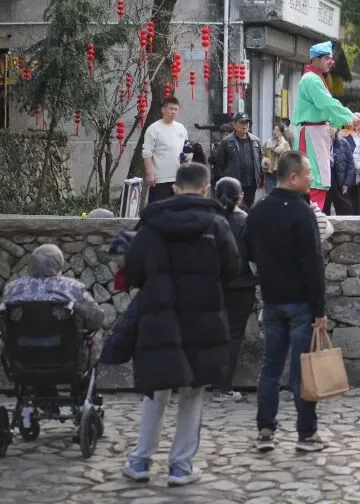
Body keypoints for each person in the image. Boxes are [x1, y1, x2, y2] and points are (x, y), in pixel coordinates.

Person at [121, 163, 239, 486]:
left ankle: (140, 460)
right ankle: (181, 467)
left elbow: (133, 269)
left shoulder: (152, 223)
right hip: (202, 319)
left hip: (160, 318)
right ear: (206, 188)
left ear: (174, 188)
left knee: (156, 391)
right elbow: (232, 269)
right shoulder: (216, 225)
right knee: (192, 393)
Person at [246, 152, 329, 453]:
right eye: (307, 173)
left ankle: (265, 429)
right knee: (302, 371)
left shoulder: (258, 211)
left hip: (271, 300)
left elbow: (247, 250)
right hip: (301, 304)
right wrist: (319, 310)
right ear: (293, 177)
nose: (311, 178)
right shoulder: (302, 213)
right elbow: (313, 264)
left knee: (270, 369)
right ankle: (306, 433)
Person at [292, 41, 355, 211]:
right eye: (327, 58)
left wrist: (343, 121)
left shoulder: (316, 78)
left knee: (319, 177)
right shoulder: (311, 79)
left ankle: (314, 217)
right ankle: (312, 218)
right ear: (315, 59)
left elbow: (326, 107)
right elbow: (326, 104)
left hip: (318, 131)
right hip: (313, 132)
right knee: (314, 178)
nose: (331, 62)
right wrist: (349, 117)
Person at [211, 177, 256, 403]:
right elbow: (254, 254)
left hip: (213, 285)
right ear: (240, 197)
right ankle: (222, 386)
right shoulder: (245, 221)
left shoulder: (210, 221)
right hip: (241, 285)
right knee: (233, 336)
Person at [1, 243, 105, 332]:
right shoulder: (75, 288)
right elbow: (97, 319)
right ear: (59, 265)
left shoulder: (11, 289)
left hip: (20, 347)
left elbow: (1, 322)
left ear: (31, 265)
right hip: (66, 347)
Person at [141, 96, 188, 204]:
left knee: (177, 209)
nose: (173, 112)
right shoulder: (153, 129)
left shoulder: (181, 128)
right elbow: (147, 153)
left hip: (178, 178)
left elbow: (187, 148)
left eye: (176, 109)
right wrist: (149, 174)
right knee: (159, 209)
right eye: (171, 109)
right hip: (160, 179)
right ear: (163, 109)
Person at [211, 113, 263, 207]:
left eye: (246, 123)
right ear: (235, 125)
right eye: (241, 123)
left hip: (251, 183)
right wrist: (227, 174)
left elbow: (259, 160)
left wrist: (260, 178)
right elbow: (220, 161)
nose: (244, 125)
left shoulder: (255, 141)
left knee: (249, 207)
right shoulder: (226, 141)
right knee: (233, 206)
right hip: (234, 182)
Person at [325, 125, 356, 215]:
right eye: (327, 126)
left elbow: (351, 164)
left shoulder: (344, 143)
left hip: (340, 181)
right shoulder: (319, 143)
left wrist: (346, 183)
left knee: (346, 210)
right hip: (325, 182)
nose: (330, 129)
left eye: (332, 126)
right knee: (324, 211)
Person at [262, 123, 292, 194]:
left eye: (278, 130)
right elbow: (263, 153)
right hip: (269, 172)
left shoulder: (285, 144)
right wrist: (264, 160)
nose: (275, 132)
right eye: (274, 130)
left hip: (281, 173)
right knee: (269, 193)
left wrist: (280, 146)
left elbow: (287, 157)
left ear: (281, 132)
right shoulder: (267, 143)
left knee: (280, 194)